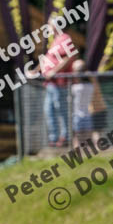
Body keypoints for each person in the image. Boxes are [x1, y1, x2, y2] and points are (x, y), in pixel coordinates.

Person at [40, 14, 78, 147]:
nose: (48, 27)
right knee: (49, 110)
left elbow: (70, 57)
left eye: (50, 24)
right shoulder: (55, 40)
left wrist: (54, 72)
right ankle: (54, 138)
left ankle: (65, 137)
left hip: (60, 83)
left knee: (61, 110)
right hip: (51, 84)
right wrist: (34, 71)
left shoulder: (64, 38)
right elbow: (49, 59)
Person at [70, 59, 94, 147]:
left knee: (77, 139)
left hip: (77, 116)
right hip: (87, 115)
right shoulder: (90, 86)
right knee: (87, 140)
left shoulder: (75, 88)